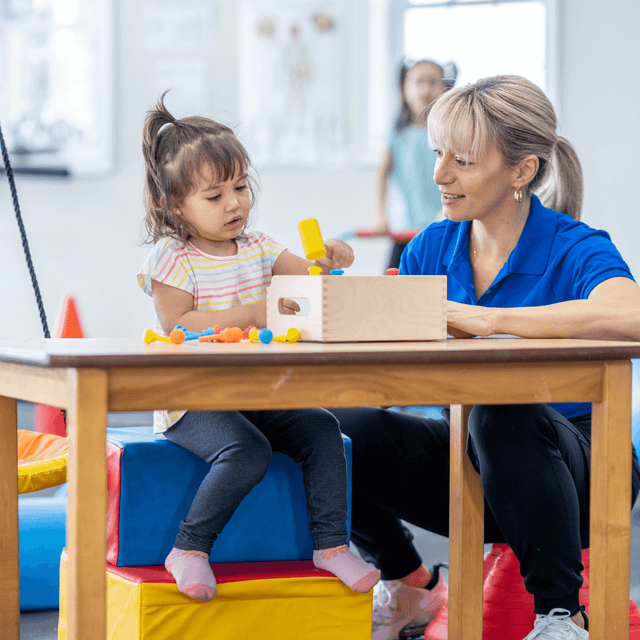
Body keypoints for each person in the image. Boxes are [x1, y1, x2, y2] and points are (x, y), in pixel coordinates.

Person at [331, 75, 640, 640]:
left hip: (585, 469)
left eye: (463, 161)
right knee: (333, 431)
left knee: (503, 409)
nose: (438, 176)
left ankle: (561, 617)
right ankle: (411, 583)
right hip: (469, 460)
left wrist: (487, 321)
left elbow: (632, 315)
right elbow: (391, 361)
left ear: (522, 171)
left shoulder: (575, 245)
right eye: (437, 155)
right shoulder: (431, 246)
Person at [136, 93, 380, 602]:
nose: (235, 203)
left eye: (241, 187)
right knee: (247, 450)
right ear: (172, 205)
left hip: (254, 392)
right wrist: (248, 315)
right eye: (214, 195)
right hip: (193, 397)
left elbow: (315, 279)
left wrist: (334, 256)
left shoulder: (261, 248)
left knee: (322, 429)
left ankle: (331, 545)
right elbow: (177, 321)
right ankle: (189, 548)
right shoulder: (173, 257)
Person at [370, 59, 456, 270]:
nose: (425, 89)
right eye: (418, 81)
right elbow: (382, 174)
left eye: (433, 82)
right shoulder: (397, 134)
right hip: (405, 233)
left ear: (446, 89)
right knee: (390, 290)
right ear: (404, 88)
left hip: (443, 231)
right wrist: (380, 215)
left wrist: (447, 211)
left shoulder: (450, 134)